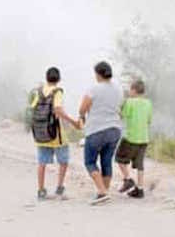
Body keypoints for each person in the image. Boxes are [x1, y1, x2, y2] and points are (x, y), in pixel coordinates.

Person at [31, 67, 81, 200]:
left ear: (46, 78)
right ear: (58, 79)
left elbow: (33, 107)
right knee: (63, 161)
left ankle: (41, 190)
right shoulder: (57, 92)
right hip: (56, 134)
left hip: (41, 134)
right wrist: (73, 122)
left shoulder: (39, 91)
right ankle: (59, 188)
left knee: (42, 162)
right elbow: (58, 109)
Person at [79, 61, 123, 205]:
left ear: (98, 74)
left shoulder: (94, 88)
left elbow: (83, 108)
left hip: (96, 129)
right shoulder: (118, 88)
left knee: (90, 161)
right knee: (106, 161)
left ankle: (102, 191)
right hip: (115, 129)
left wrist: (82, 116)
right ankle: (104, 192)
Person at [116, 80, 153, 198]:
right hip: (144, 138)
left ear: (133, 90)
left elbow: (122, 116)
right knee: (139, 164)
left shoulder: (129, 102)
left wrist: (119, 108)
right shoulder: (148, 103)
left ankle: (128, 179)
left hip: (131, 137)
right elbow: (149, 121)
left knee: (119, 158)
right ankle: (140, 189)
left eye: (130, 89)